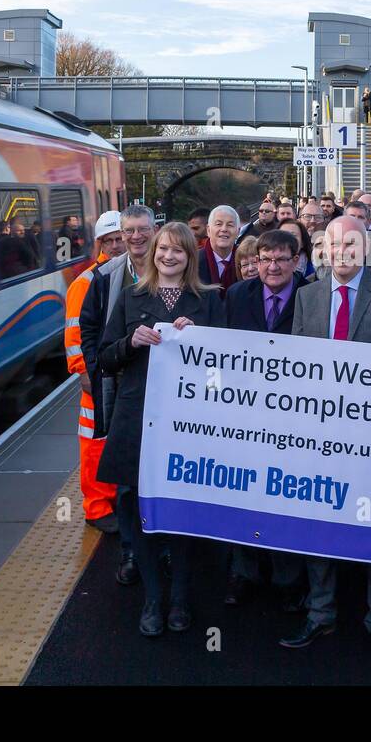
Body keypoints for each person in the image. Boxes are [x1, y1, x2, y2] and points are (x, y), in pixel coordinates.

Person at [281, 216, 371, 666]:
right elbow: (298, 370)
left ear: (366, 247)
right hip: (322, 438)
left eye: (351, 243)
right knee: (319, 527)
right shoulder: (306, 297)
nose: (342, 251)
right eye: (334, 243)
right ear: (323, 248)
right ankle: (321, 613)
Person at [97, 221, 225, 637]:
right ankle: (153, 598)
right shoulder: (132, 298)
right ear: (153, 253)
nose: (169, 256)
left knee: (180, 514)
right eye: (163, 249)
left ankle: (181, 598)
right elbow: (104, 359)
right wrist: (130, 342)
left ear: (190, 258)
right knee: (138, 511)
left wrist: (203, 341)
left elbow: (227, 370)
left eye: (179, 251)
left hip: (189, 425)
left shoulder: (208, 302)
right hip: (138, 420)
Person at [222, 229, 310, 611]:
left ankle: (288, 577)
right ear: (255, 262)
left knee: (287, 494)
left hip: (295, 419)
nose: (273, 267)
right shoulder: (236, 296)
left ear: (296, 261)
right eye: (265, 259)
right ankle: (244, 573)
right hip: (244, 414)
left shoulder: (312, 295)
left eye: (281, 259)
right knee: (243, 492)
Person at [82, 204, 156, 586]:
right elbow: (89, 327)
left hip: (166, 393)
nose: (136, 237)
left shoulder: (177, 269)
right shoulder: (105, 277)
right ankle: (130, 551)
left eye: (143, 229)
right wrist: (96, 370)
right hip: (122, 389)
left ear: (154, 229)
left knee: (160, 474)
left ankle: (161, 547)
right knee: (127, 477)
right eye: (129, 231)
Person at [65, 210, 127, 536]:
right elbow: (75, 334)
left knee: (113, 438)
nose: (117, 245)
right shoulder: (87, 282)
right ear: (100, 243)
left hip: (119, 370)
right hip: (97, 375)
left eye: (121, 238)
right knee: (94, 441)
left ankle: (112, 498)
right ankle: (96, 507)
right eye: (110, 240)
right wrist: (83, 373)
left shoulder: (128, 274)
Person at [197, 204, 240, 294]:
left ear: (238, 232)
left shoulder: (245, 262)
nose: (224, 229)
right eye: (218, 224)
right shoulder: (194, 261)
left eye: (230, 225)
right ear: (208, 230)